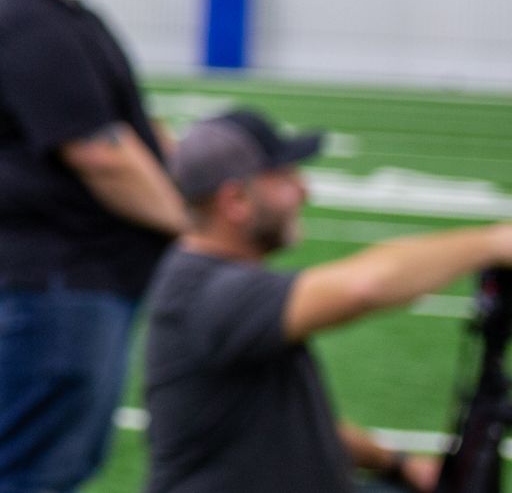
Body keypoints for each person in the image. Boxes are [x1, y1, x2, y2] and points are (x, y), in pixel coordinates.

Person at [0, 0, 187, 493]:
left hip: (88, 278)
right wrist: (188, 224)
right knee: (27, 471)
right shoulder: (26, 20)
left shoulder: (61, 12)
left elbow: (128, 126)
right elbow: (99, 152)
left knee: (64, 463)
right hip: (60, 279)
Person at [142, 108, 508, 493]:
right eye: (285, 178)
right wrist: (493, 243)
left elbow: (289, 425)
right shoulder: (210, 294)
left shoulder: (220, 279)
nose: (305, 190)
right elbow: (366, 286)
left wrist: (397, 464)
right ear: (235, 200)